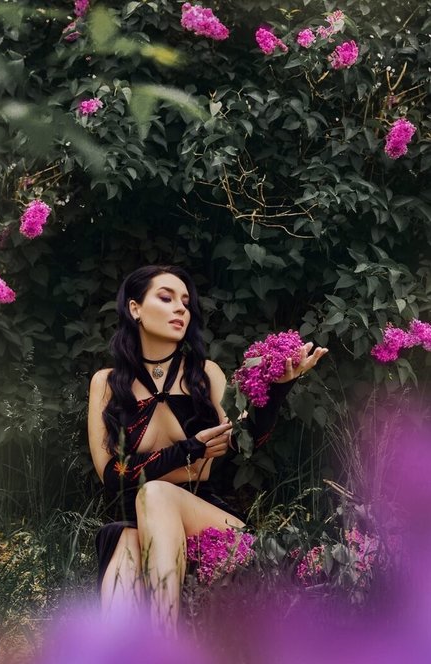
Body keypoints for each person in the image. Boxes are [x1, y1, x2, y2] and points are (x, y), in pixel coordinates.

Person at [88, 265, 328, 632]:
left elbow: (244, 438)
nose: (180, 308)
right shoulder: (106, 383)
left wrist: (278, 389)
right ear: (135, 308)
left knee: (155, 493)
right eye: (166, 298)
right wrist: (190, 450)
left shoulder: (205, 374)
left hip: (208, 516)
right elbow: (112, 475)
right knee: (124, 541)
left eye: (185, 302)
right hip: (133, 521)